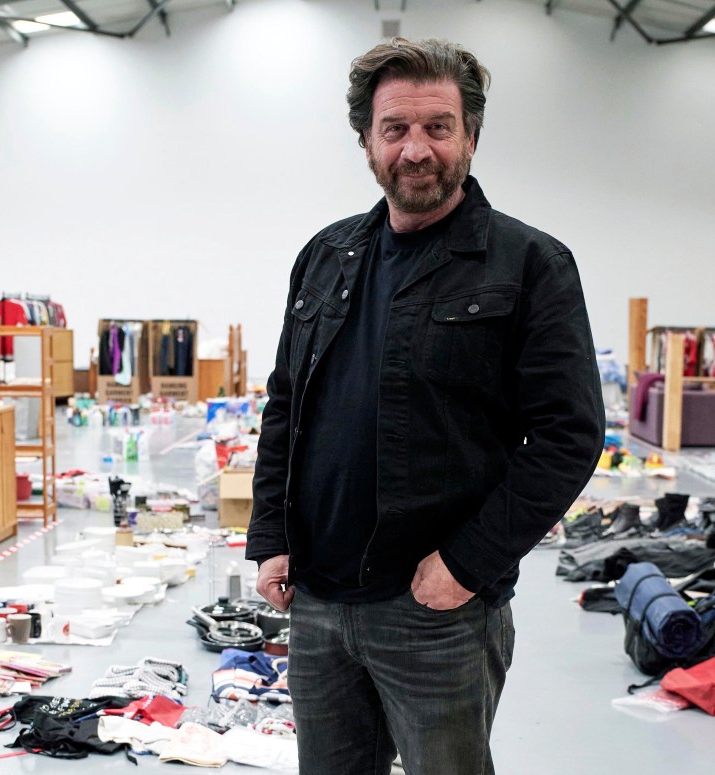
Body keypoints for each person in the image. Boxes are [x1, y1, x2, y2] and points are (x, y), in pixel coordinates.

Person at [247, 37, 604, 775]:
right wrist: (271, 533)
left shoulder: (530, 264)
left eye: (438, 127)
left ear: (470, 134)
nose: (417, 149)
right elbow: (287, 403)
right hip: (316, 600)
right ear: (368, 143)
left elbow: (569, 436)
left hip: (435, 610)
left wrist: (467, 564)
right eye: (395, 129)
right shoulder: (325, 255)